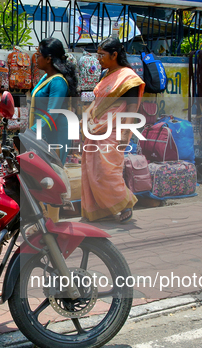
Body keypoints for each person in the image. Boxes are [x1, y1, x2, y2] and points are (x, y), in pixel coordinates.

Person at [81, 37, 144, 223]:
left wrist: (126, 133)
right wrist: (87, 116)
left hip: (116, 128)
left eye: (102, 55)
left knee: (108, 170)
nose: (98, 59)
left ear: (114, 55)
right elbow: (97, 101)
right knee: (93, 170)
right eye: (98, 55)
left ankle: (125, 203)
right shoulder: (105, 75)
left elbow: (132, 107)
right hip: (96, 127)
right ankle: (102, 209)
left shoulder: (129, 77)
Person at [29, 38, 79, 165]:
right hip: (44, 132)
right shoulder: (47, 76)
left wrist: (32, 132)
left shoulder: (58, 82)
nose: (36, 59)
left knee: (51, 175)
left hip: (54, 135)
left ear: (48, 59)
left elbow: (52, 113)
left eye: (38, 55)